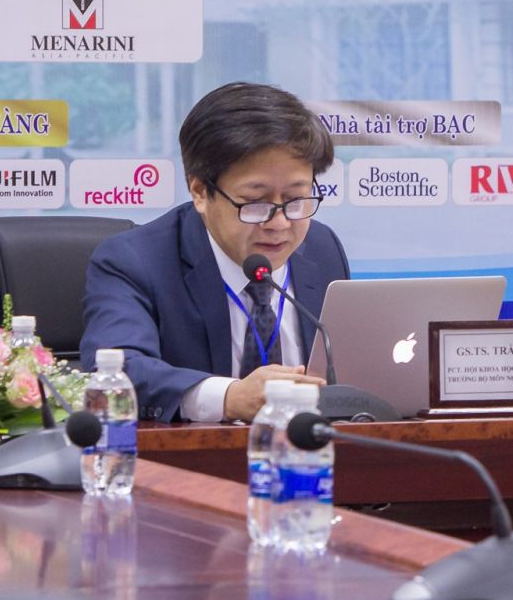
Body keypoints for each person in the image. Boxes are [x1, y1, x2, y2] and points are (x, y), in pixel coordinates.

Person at [80, 82, 346, 422]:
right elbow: (117, 369)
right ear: (200, 191)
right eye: (255, 202)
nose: (280, 223)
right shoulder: (134, 261)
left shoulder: (322, 249)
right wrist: (230, 397)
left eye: (296, 199)